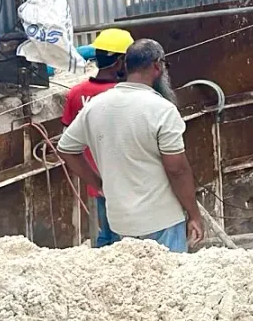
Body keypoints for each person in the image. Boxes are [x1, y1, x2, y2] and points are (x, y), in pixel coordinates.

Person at [56, 39, 204, 253]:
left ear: (126, 66)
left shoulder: (95, 106)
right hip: (161, 221)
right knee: (170, 282)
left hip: (120, 222)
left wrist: (99, 184)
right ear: (157, 66)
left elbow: (66, 148)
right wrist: (194, 214)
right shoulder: (162, 109)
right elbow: (176, 169)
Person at [61, 27, 133, 248]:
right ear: (122, 62)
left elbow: (68, 137)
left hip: (95, 180)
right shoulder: (125, 93)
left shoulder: (76, 93)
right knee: (129, 239)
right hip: (127, 180)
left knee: (106, 236)